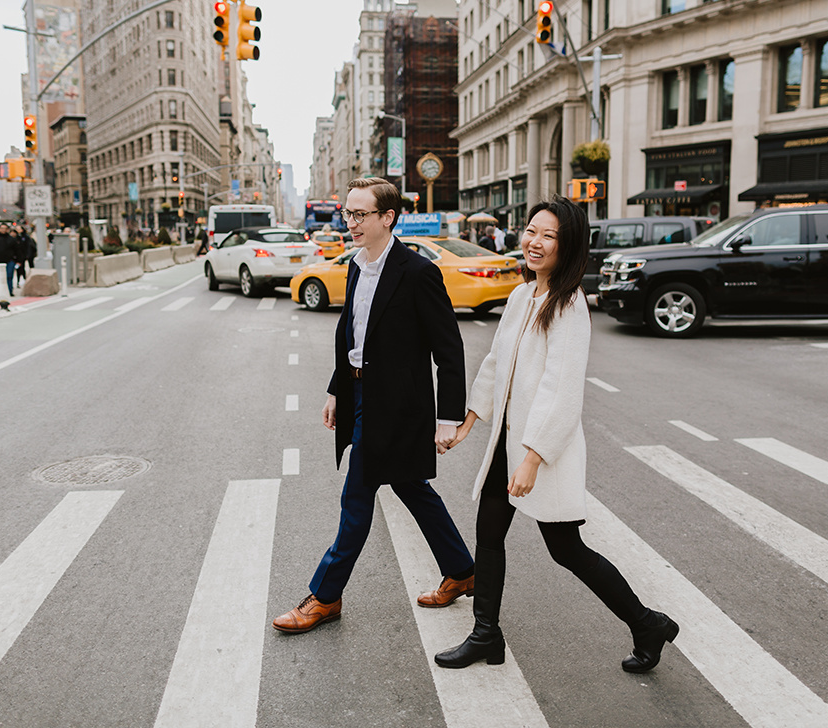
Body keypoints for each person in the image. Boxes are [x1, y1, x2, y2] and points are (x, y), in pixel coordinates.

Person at [435, 197, 679, 673]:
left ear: (567, 248)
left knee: (566, 550)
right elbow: (495, 364)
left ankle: (647, 622)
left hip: (541, 451)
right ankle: (486, 633)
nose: (535, 242)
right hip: (508, 446)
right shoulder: (522, 297)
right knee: (488, 534)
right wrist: (468, 421)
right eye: (531, 231)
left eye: (549, 236)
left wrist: (532, 457)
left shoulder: (569, 306)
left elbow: (562, 392)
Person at [272, 177, 476, 634]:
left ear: (388, 217)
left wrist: (448, 418)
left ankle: (324, 597)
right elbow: (353, 335)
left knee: (357, 497)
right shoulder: (356, 266)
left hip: (400, 408)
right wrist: (335, 390)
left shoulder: (417, 272)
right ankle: (462, 571)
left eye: (360, 214)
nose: (351, 222)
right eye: (348, 213)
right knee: (411, 488)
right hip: (361, 395)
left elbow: (449, 350)